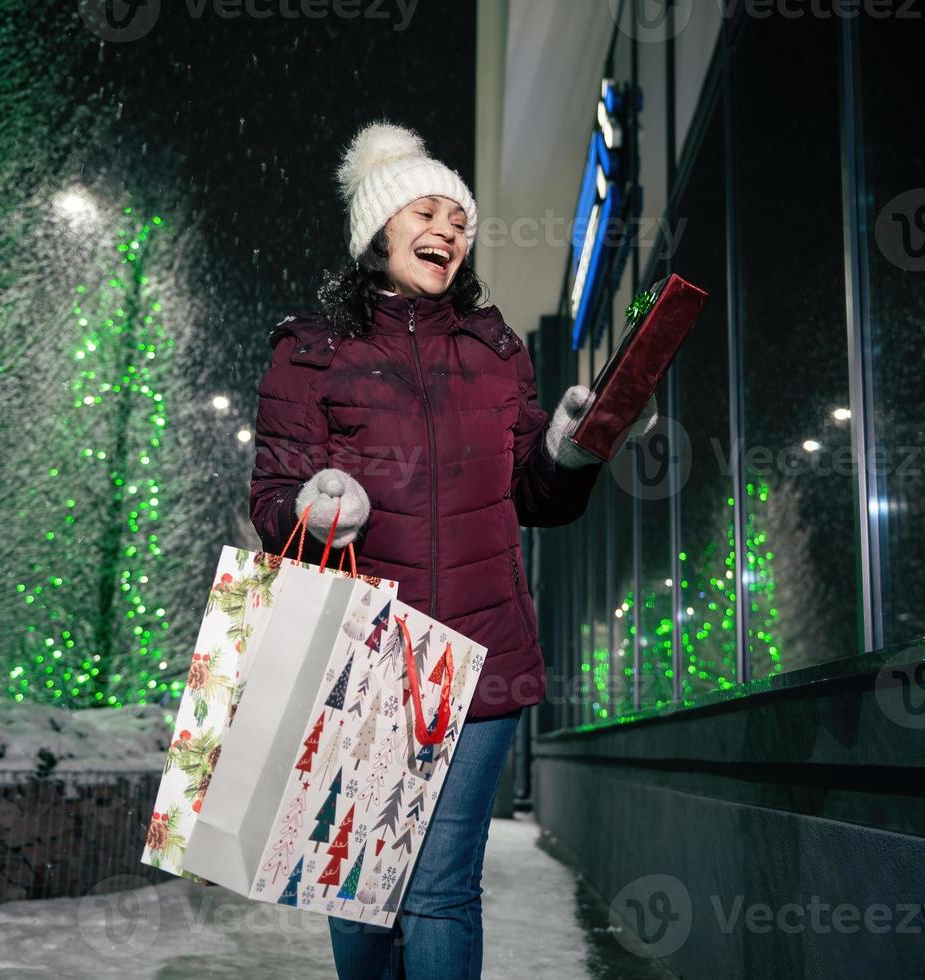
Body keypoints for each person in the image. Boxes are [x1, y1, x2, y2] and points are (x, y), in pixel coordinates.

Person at [247, 120, 658, 980]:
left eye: (459, 219)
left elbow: (535, 496)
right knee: (358, 892)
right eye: (424, 210)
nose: (446, 229)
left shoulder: (494, 348)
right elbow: (272, 496)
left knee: (438, 887)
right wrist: (314, 510)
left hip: (482, 655)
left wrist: (574, 446)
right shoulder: (309, 351)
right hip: (363, 656)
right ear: (378, 229)